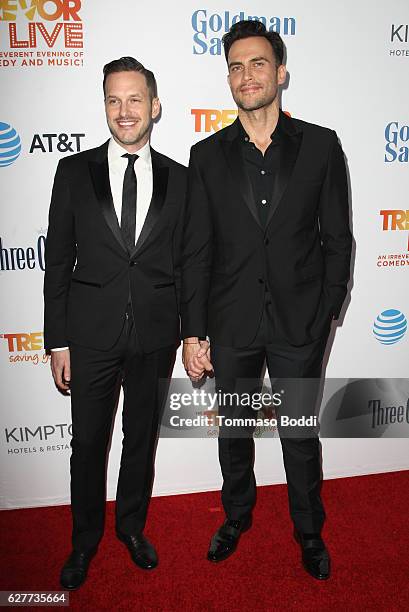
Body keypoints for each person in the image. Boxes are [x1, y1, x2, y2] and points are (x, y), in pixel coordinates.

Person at [181, 21, 352, 580]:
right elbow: (198, 250)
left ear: (280, 72)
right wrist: (195, 329)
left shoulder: (321, 144)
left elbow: (337, 238)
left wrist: (325, 312)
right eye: (235, 65)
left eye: (257, 63)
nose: (246, 75)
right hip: (230, 323)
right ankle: (236, 516)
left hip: (299, 323)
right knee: (233, 432)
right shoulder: (205, 156)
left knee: (299, 433)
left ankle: (308, 530)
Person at [44, 56, 186, 589]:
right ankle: (83, 542)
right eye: (112, 99)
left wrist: (192, 331)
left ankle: (131, 528)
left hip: (155, 334)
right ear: (104, 104)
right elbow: (57, 260)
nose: (123, 111)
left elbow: (189, 263)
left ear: (154, 106)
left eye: (133, 99)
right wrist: (57, 340)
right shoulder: (73, 171)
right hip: (90, 335)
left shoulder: (181, 178)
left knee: (140, 438)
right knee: (87, 442)